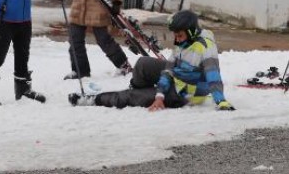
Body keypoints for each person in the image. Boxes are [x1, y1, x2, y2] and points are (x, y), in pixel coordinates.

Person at [68, 10, 235, 111]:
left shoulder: (205, 47)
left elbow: (214, 76)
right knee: (142, 63)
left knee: (133, 96)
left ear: (191, 32)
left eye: (179, 35)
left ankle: (94, 99)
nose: (176, 39)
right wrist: (160, 93)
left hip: (186, 92)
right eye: (175, 35)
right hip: (178, 77)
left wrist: (221, 101)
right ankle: (146, 92)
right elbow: (169, 68)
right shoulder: (183, 41)